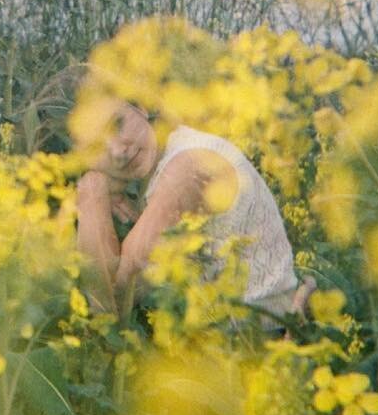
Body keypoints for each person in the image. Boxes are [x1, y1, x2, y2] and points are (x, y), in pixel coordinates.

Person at [70, 89, 312, 322]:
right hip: (225, 344)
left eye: (116, 124)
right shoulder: (164, 162)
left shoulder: (189, 167)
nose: (117, 151)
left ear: (141, 108)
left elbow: (110, 305)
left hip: (259, 344)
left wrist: (91, 192)